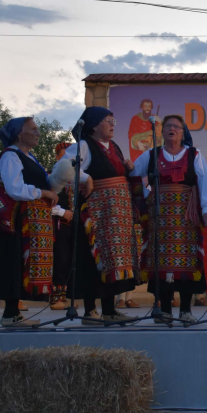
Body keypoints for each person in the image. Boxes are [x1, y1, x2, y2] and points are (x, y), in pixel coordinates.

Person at [54, 107, 140, 324]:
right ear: (93, 125)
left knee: (114, 261)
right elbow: (64, 167)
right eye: (108, 120)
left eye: (113, 120)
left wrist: (128, 169)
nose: (112, 125)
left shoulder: (114, 147)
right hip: (95, 214)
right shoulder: (83, 145)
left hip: (117, 215)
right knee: (93, 258)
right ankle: (90, 312)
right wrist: (85, 177)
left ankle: (110, 311)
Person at [128, 113, 207, 325]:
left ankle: (185, 311)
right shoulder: (151, 155)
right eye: (168, 126)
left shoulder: (194, 154)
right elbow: (132, 175)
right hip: (159, 218)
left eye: (176, 126)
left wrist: (206, 209)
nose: (172, 129)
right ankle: (165, 310)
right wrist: (144, 199)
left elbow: (205, 183)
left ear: (183, 131)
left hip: (187, 217)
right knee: (161, 264)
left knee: (187, 265)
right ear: (161, 131)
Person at [0, 117, 59, 327]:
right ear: (19, 133)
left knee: (20, 263)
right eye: (33, 129)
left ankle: (13, 314)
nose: (38, 133)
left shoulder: (30, 157)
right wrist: (42, 191)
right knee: (14, 261)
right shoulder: (11, 156)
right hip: (18, 220)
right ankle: (10, 315)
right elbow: (14, 188)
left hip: (32, 219)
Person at [49, 141, 75, 311]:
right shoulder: (53, 177)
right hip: (59, 224)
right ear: (58, 158)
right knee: (60, 258)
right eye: (64, 156)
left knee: (70, 259)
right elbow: (46, 203)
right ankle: (56, 298)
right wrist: (62, 212)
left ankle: (66, 297)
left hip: (72, 225)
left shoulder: (74, 177)